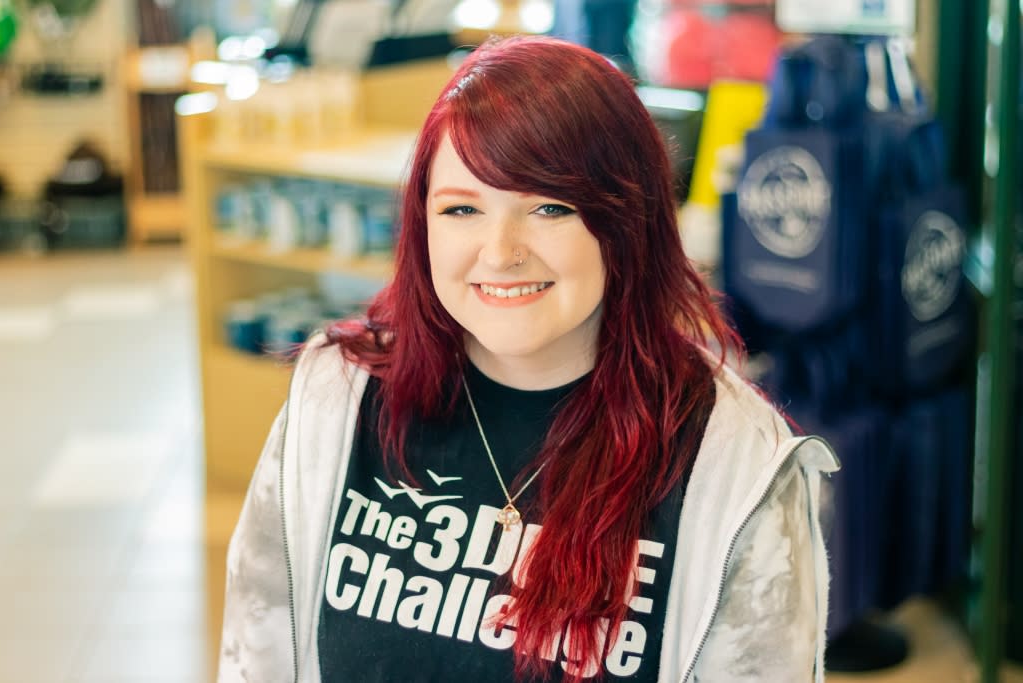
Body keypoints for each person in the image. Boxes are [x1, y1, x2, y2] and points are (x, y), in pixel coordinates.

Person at [217, 35, 840, 682]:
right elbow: (255, 657)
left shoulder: (731, 460)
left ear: (627, 221)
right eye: (462, 208)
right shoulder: (338, 397)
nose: (499, 251)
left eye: (548, 206)